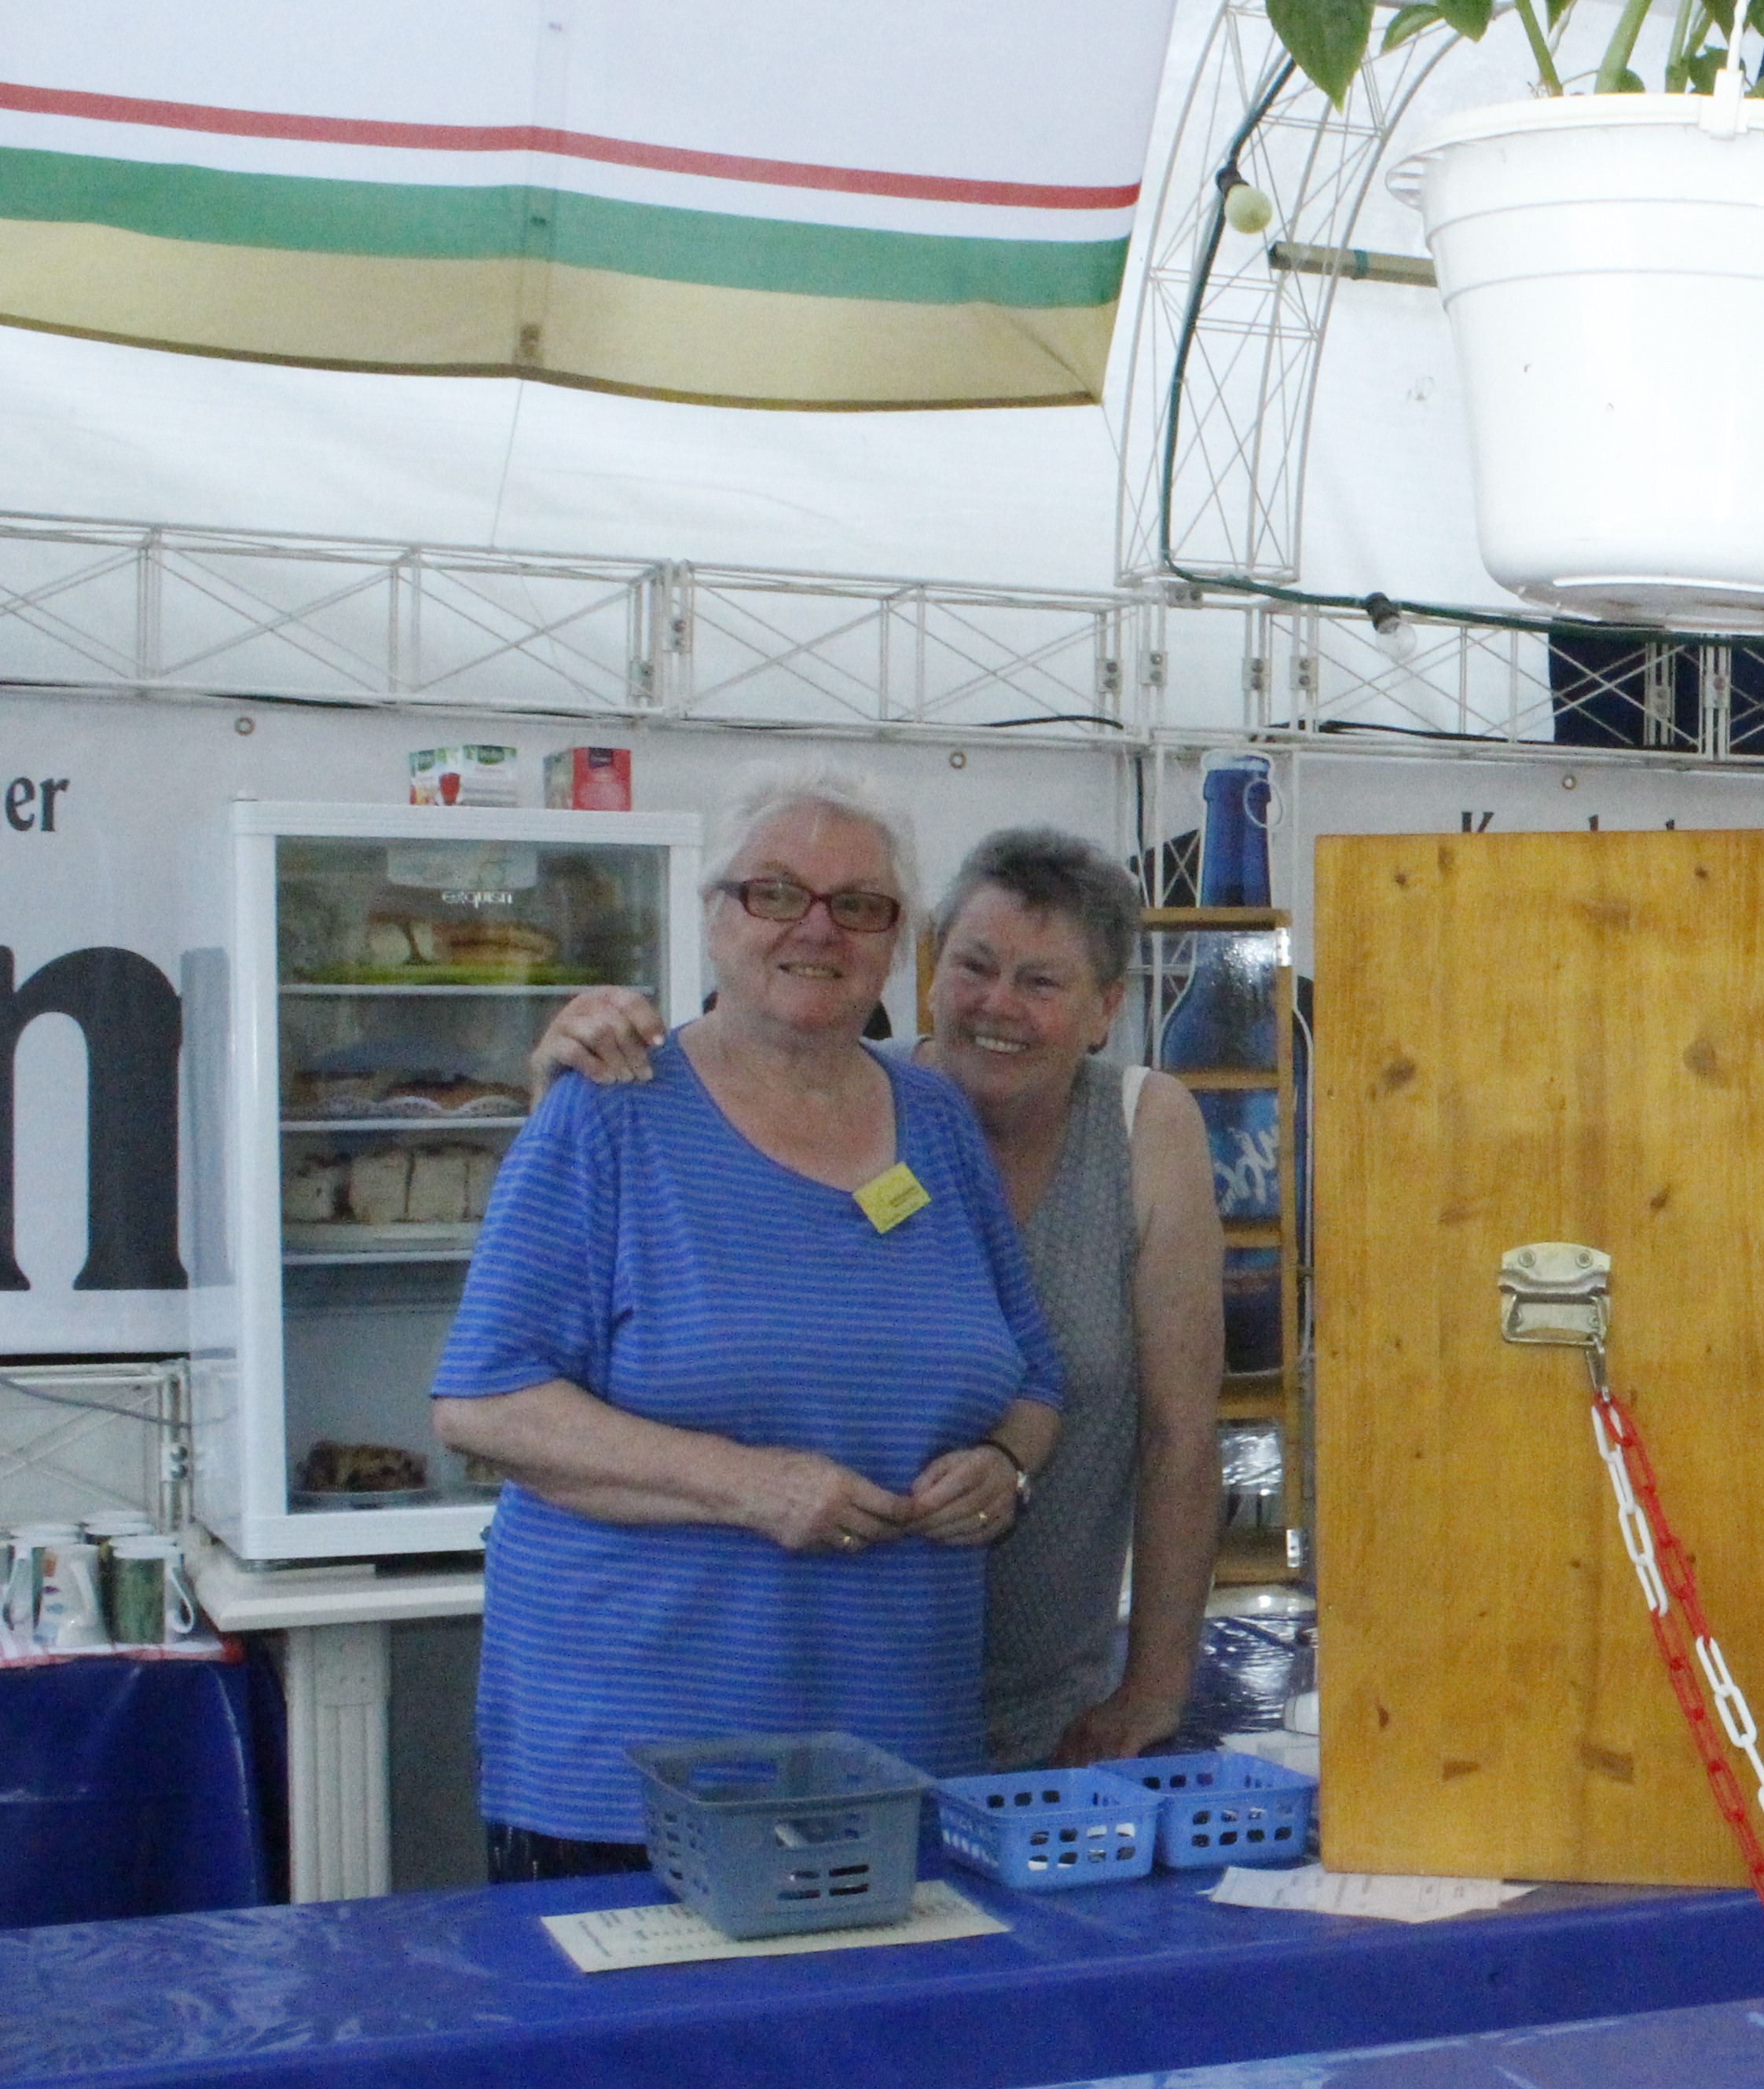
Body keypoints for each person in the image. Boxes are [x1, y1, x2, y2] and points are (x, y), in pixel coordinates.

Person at [436, 773, 1063, 1876]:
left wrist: (1003, 1466)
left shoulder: (936, 1123)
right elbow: (485, 1404)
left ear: (893, 943)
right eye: (776, 893)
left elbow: (1037, 1378)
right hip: (641, 1772)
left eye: (858, 905)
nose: (816, 927)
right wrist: (753, 1487)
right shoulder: (609, 1108)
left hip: (895, 1758)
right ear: (715, 916)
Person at [532, 830, 1230, 1773]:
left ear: (1107, 1008)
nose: (998, 1007)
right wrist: (565, 1069)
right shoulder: (834, 1095)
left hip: (1053, 1705)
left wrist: (1153, 1687)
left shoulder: (1145, 1127)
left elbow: (1180, 1435)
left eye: (1042, 983)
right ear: (931, 969)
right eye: (974, 967)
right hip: (822, 1688)